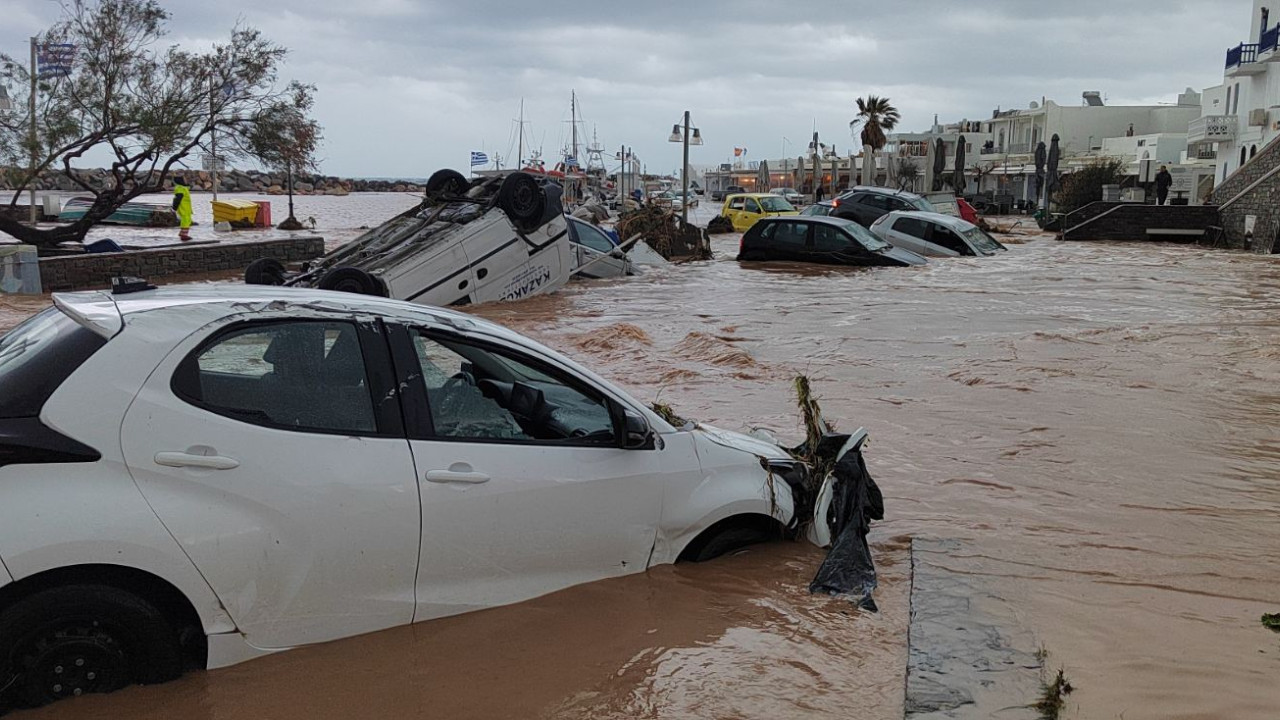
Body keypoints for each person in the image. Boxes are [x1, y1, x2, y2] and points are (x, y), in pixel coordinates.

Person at [172, 175, 193, 241]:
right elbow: (178, 198)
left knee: (187, 220)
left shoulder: (182, 187)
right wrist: (175, 207)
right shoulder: (180, 188)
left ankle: (182, 233)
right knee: (185, 220)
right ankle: (184, 235)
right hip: (183, 207)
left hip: (186, 207)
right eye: (184, 179)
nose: (185, 180)